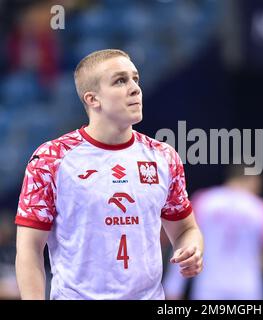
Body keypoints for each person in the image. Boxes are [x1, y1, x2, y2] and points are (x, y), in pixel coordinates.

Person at [14, 49, 204, 300]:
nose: (135, 88)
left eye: (135, 79)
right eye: (120, 81)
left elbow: (185, 229)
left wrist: (192, 248)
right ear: (93, 99)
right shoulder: (51, 159)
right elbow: (29, 248)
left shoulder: (164, 157)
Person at [163, 165, 263, 300]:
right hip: (247, 290)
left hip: (210, 289)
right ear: (254, 180)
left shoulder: (203, 201)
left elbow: (184, 245)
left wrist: (172, 288)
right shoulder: (261, 209)